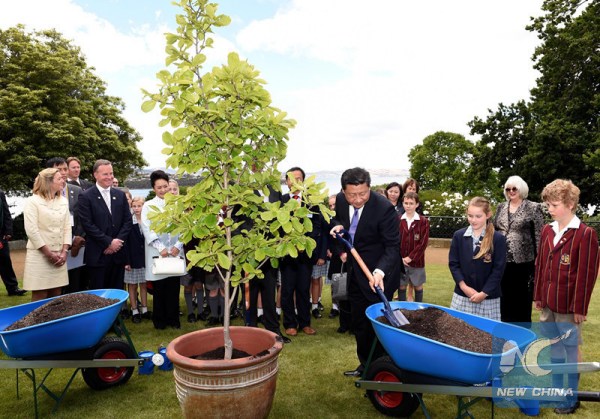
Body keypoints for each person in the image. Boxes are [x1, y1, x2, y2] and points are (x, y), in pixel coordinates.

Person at [533, 179, 599, 415]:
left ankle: (571, 397)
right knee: (555, 347)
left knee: (571, 349)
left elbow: (586, 275)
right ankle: (556, 391)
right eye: (548, 205)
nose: (549, 209)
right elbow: (541, 265)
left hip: (569, 306)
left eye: (554, 204)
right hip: (549, 303)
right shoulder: (547, 230)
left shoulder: (585, 234)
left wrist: (579, 307)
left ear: (570, 204)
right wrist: (539, 294)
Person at [330, 167, 401, 377]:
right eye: (352, 194)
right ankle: (365, 365)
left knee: (378, 326)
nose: (358, 199)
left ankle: (381, 369)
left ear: (369, 187)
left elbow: (392, 247)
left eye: (363, 193)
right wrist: (336, 228)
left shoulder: (384, 209)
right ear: (344, 191)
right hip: (355, 271)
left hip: (378, 275)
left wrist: (380, 271)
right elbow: (338, 221)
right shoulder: (342, 201)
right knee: (360, 323)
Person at [493, 175, 544, 323]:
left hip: (523, 262)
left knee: (521, 299)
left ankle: (522, 332)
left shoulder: (534, 207)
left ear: (521, 189)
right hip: (502, 260)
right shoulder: (501, 207)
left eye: (514, 188)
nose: (511, 191)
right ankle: (504, 330)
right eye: (508, 189)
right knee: (503, 298)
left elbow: (539, 235)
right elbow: (496, 230)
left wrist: (539, 259)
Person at [278, 167, 321, 337]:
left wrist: (306, 244)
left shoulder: (311, 201)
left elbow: (317, 226)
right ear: (287, 182)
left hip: (305, 255)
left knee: (304, 289)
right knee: (287, 290)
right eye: (292, 178)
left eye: (299, 178)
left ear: (303, 181)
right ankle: (289, 324)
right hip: (287, 254)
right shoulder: (280, 201)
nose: (295, 181)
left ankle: (305, 322)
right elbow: (277, 227)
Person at [449, 197, 506, 320]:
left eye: (478, 216)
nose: (473, 220)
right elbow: (453, 264)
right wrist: (464, 287)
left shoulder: (498, 239)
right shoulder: (458, 236)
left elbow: (498, 270)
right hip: (462, 295)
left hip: (488, 298)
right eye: (470, 216)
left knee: (486, 336)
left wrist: (484, 293)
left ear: (488, 215)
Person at [78, 159, 132, 290]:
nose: (110, 177)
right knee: (99, 295)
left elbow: (127, 221)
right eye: (105, 174)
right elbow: (87, 224)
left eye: (111, 173)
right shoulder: (86, 196)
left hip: (118, 255)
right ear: (95, 175)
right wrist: (108, 242)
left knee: (117, 293)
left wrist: (117, 242)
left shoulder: (119, 195)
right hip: (98, 255)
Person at [142, 170, 184, 330]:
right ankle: (160, 321)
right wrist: (161, 248)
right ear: (154, 189)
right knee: (159, 289)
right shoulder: (148, 205)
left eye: (165, 186)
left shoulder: (176, 204)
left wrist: (177, 246)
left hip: (174, 252)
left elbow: (183, 227)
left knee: (173, 287)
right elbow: (147, 228)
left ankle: (174, 320)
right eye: (159, 187)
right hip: (157, 252)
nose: (163, 190)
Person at [22, 168, 71, 301]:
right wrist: (48, 254)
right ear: (48, 182)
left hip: (60, 255)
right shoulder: (33, 201)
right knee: (40, 294)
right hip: (39, 256)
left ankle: (55, 321)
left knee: (56, 294)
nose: (63, 180)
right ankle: (36, 322)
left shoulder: (63, 201)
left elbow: (67, 227)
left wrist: (64, 252)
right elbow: (32, 230)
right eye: (59, 178)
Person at [46, 157, 87, 293]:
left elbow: (83, 217)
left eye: (65, 169)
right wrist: (68, 240)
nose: (63, 172)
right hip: (55, 246)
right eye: (59, 170)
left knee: (76, 284)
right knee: (56, 287)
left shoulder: (77, 190)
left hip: (77, 246)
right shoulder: (45, 194)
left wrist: (77, 239)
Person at [397, 192, 429, 302]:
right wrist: (400, 258)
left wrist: (410, 257)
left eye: (411, 203)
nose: (408, 205)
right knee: (401, 286)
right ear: (402, 204)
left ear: (417, 204)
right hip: (400, 261)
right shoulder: (398, 220)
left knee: (418, 286)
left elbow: (423, 242)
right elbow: (394, 241)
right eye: (406, 203)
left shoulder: (423, 221)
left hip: (417, 262)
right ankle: (401, 309)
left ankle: (418, 310)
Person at [124, 196, 151, 323]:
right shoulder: (129, 222)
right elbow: (125, 243)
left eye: (139, 206)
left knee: (144, 284)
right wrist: (127, 261)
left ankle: (145, 309)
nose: (136, 209)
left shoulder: (147, 221)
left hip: (145, 258)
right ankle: (134, 310)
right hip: (132, 259)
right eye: (134, 206)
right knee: (133, 285)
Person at [0, 188, 26, 296]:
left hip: (1, 237)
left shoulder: (0, 193)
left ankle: (13, 288)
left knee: (5, 262)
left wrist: (8, 231)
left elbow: (6, 213)